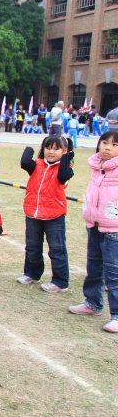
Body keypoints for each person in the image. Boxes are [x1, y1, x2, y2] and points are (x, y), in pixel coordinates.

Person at [70, 130, 118, 333]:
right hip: (95, 224)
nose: (107, 147)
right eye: (104, 142)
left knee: (113, 273)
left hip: (114, 228)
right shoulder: (97, 166)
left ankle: (116, 315)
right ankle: (92, 303)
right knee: (94, 267)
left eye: (114, 145)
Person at [17, 137, 74, 293]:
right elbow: (24, 162)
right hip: (33, 213)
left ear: (64, 151)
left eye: (56, 149)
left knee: (56, 249)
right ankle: (32, 273)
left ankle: (60, 281)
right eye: (48, 148)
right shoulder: (37, 165)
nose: (51, 152)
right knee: (32, 246)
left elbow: (63, 176)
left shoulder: (65, 168)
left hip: (54, 215)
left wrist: (67, 156)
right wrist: (29, 148)